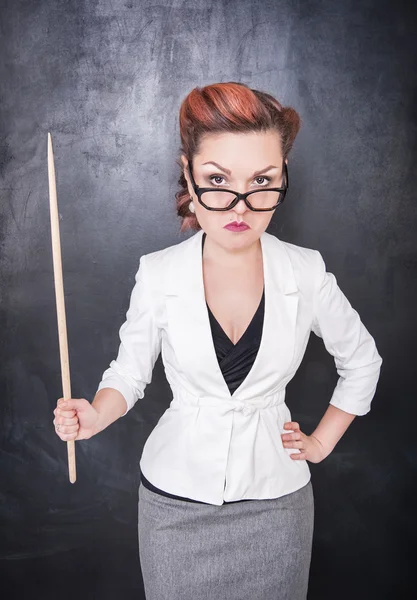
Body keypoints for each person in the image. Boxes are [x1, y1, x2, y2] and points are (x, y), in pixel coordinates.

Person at [52, 82, 383, 600]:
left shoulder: (306, 270)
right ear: (189, 173)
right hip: (173, 507)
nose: (240, 205)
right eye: (217, 180)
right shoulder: (157, 273)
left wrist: (321, 443)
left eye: (263, 181)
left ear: (281, 178)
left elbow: (362, 360)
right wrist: (95, 414)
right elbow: (128, 373)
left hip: (278, 505)